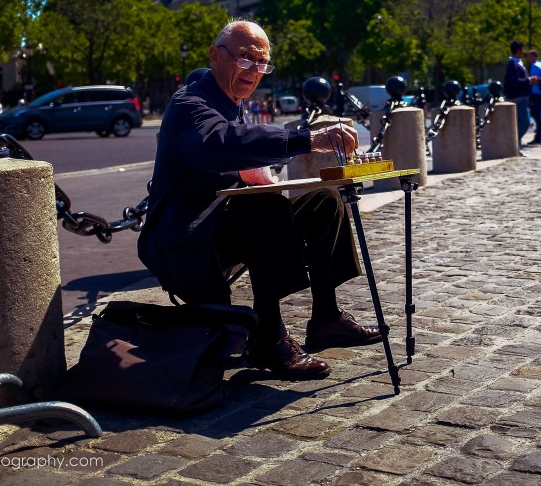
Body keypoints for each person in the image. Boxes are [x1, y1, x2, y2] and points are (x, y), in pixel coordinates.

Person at [138, 21, 380, 381]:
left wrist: (264, 174)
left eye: (262, 64)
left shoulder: (232, 102)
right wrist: (306, 140)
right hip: (183, 238)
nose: (254, 72)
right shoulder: (189, 102)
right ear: (215, 56)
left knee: (324, 202)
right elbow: (221, 144)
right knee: (262, 209)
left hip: (218, 224)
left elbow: (239, 151)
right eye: (246, 60)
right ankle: (268, 338)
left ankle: (326, 318)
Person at [503, 41, 538, 146]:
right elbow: (515, 81)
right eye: (522, 50)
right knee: (525, 122)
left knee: (519, 123)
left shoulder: (516, 63)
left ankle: (516, 145)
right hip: (518, 98)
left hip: (521, 97)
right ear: (518, 51)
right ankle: (513, 143)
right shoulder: (513, 64)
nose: (524, 52)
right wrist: (529, 80)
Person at [526, 50, 541, 144]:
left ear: (534, 56)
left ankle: (538, 136)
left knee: (536, 115)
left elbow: (534, 79)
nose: (528, 58)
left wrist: (527, 81)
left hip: (536, 92)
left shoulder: (535, 66)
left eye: (529, 56)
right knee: (540, 115)